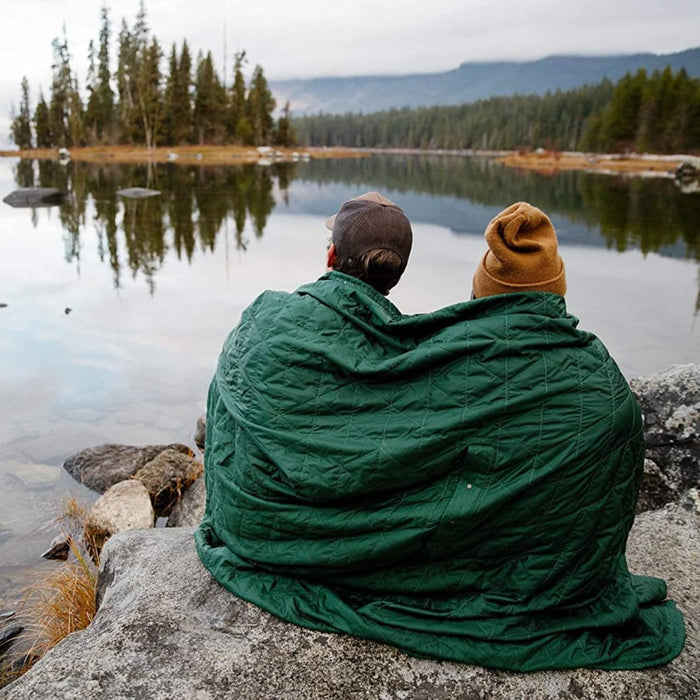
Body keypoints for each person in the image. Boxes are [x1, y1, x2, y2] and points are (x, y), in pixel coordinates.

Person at [196, 200, 684, 672]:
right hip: (533, 577)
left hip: (250, 526)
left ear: (330, 256)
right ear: (557, 289)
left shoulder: (278, 320)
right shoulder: (599, 386)